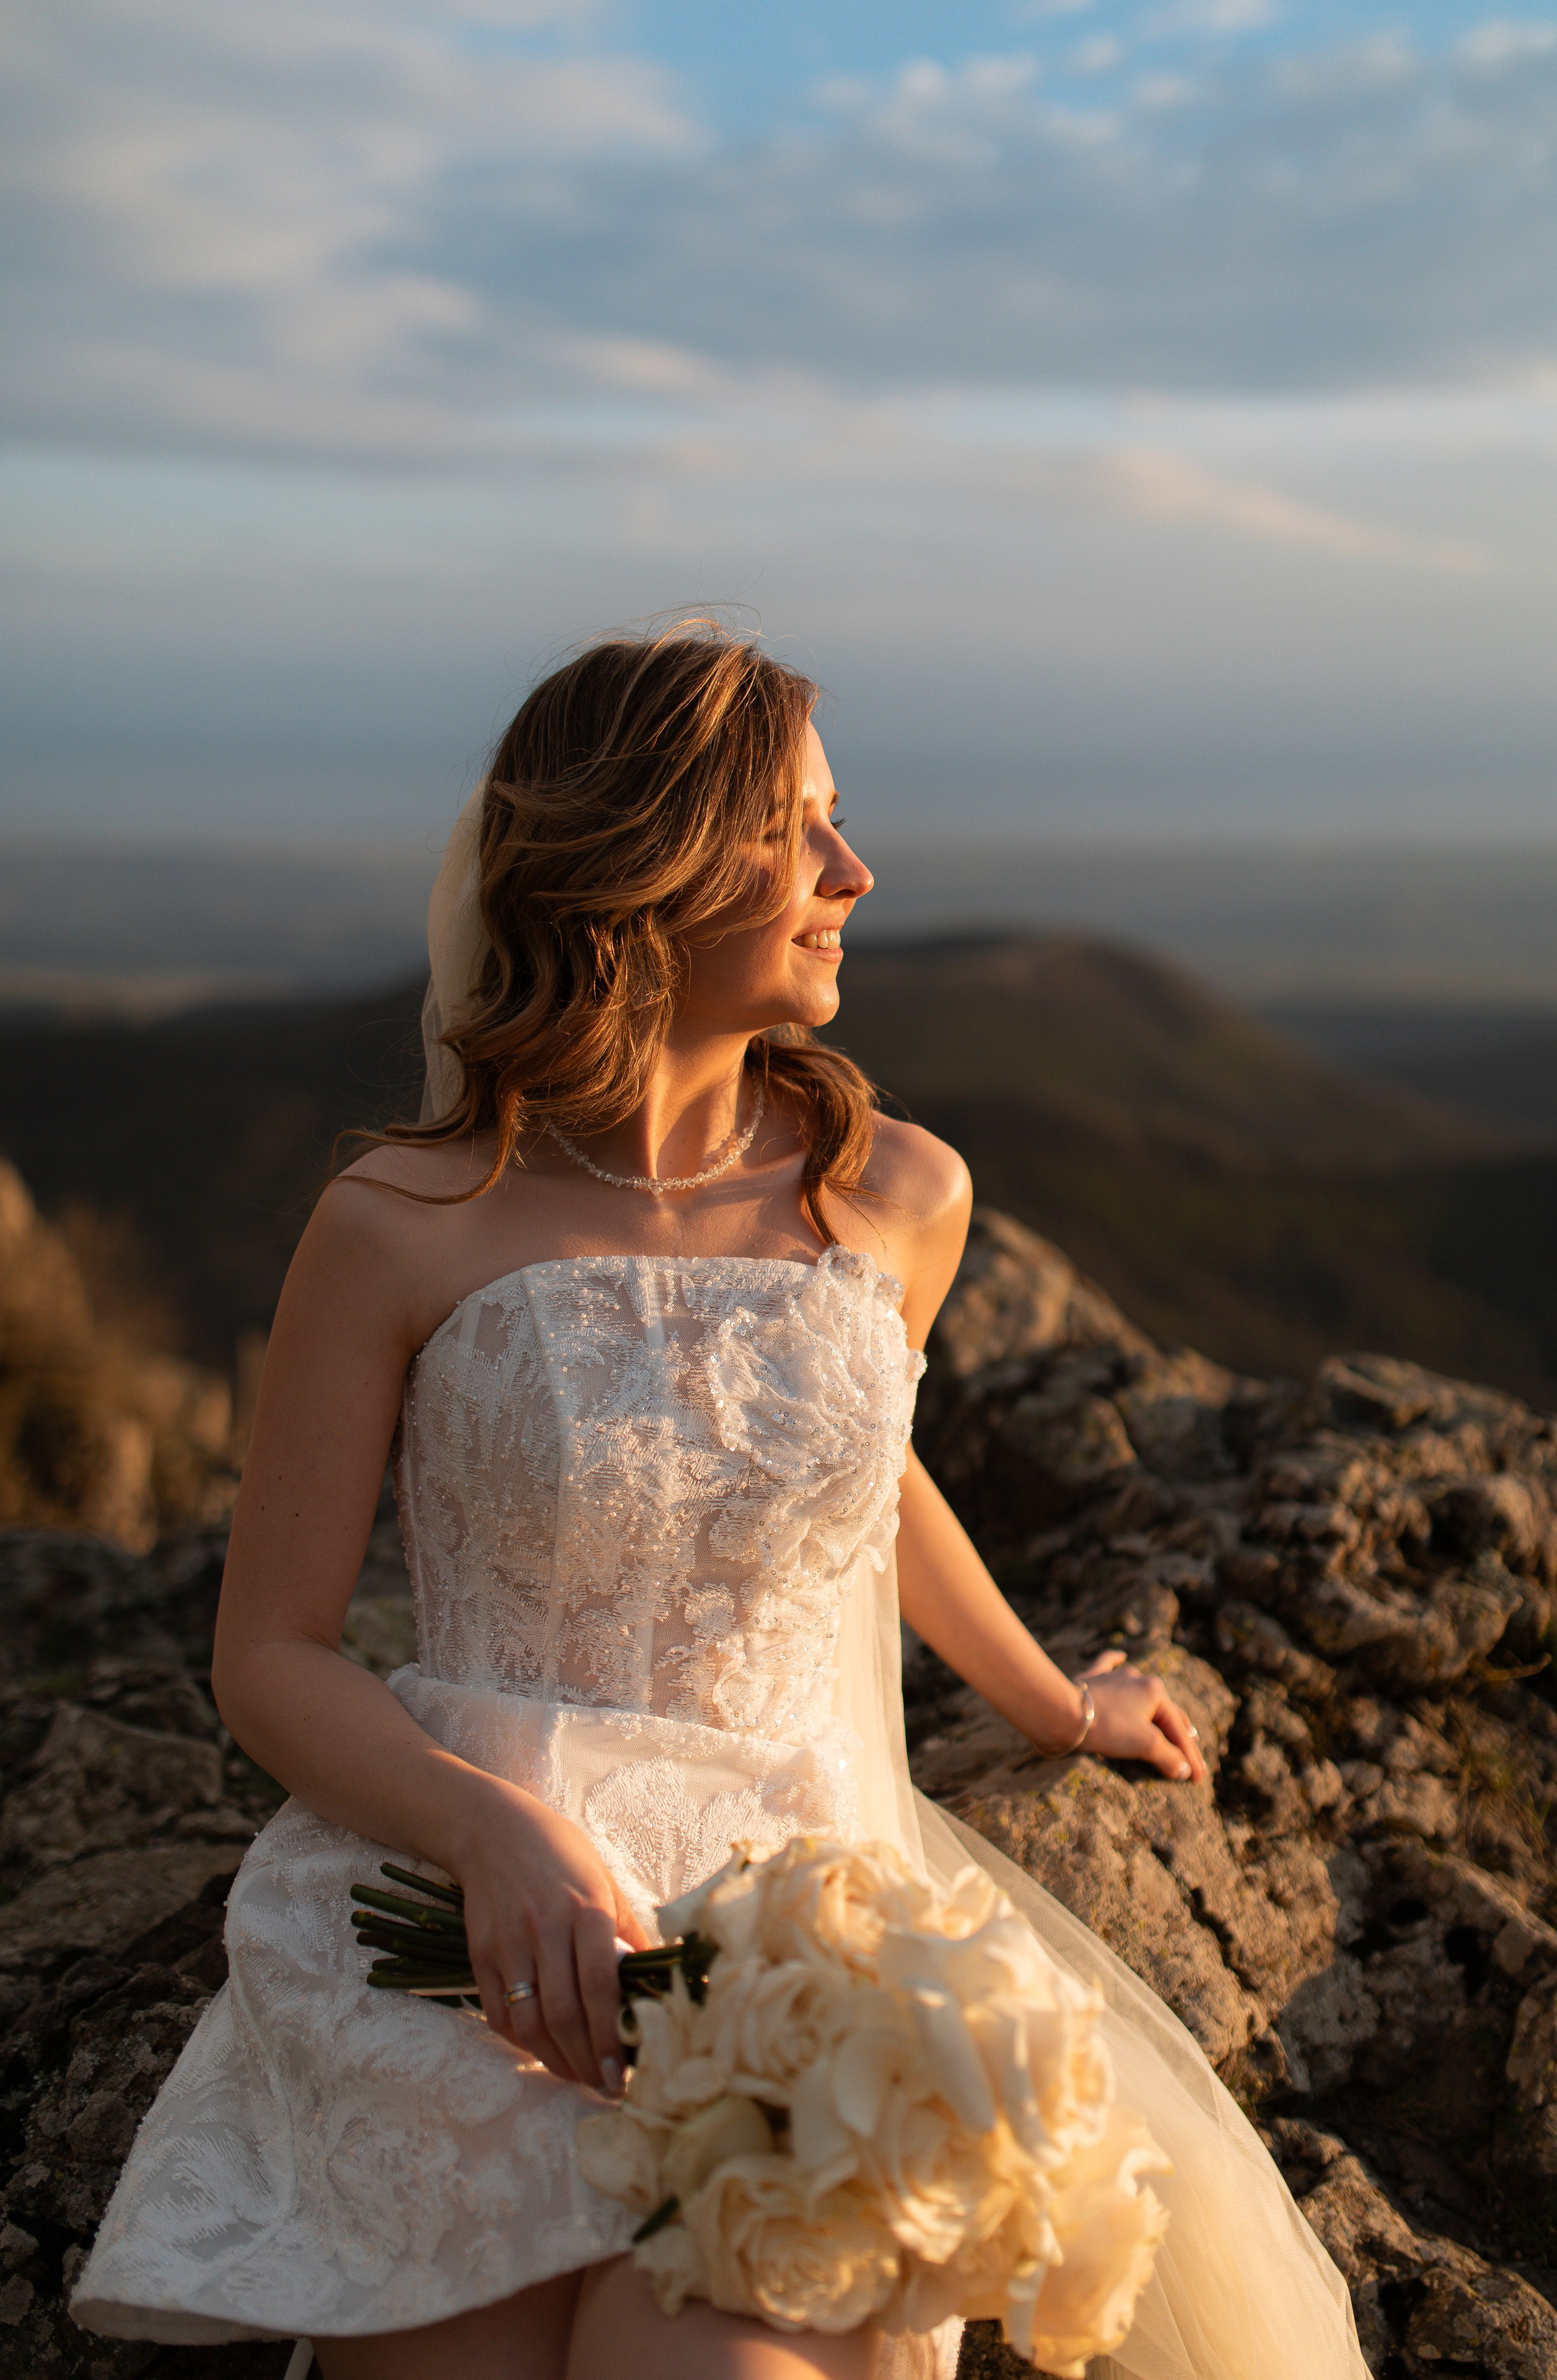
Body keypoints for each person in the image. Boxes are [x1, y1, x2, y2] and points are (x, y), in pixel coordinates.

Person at [72, 625, 1369, 2380]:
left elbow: (857, 1472)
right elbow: (272, 1652)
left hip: (790, 1940)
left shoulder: (899, 1195)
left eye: (840, 819)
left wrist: (1054, 1703)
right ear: (649, 864)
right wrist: (488, 1830)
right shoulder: (398, 1221)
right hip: (474, 1920)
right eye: (794, 829)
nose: (855, 870)